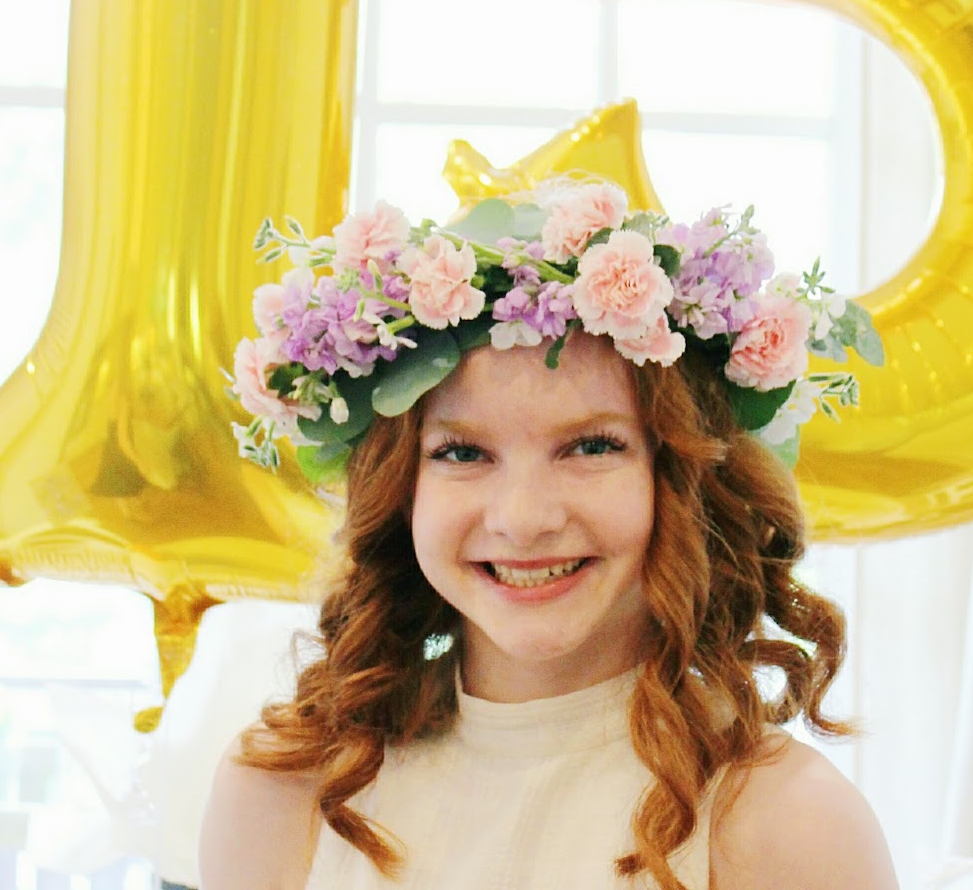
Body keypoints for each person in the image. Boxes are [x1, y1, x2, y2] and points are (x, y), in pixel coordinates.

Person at [198, 185, 900, 889]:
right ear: (399, 491)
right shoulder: (282, 791)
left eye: (591, 447)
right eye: (462, 454)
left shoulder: (787, 824)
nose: (522, 518)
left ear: (679, 478)